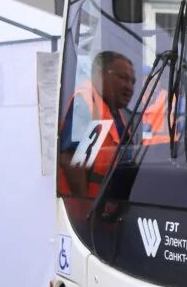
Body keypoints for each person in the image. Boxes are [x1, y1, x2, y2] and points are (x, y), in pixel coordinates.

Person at [58, 50, 137, 198]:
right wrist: (85, 206)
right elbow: (73, 161)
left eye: (133, 82)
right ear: (100, 75)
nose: (130, 87)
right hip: (87, 212)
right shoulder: (86, 103)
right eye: (123, 78)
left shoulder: (116, 113)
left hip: (107, 207)